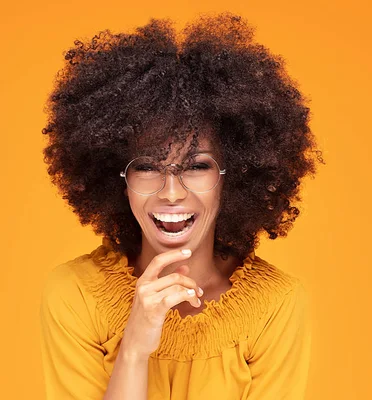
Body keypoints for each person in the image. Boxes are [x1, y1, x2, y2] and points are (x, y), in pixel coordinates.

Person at [38, 12, 324, 400]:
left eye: (196, 165)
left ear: (232, 175)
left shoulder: (275, 306)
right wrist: (135, 348)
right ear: (118, 180)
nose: (171, 192)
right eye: (146, 166)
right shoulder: (75, 295)